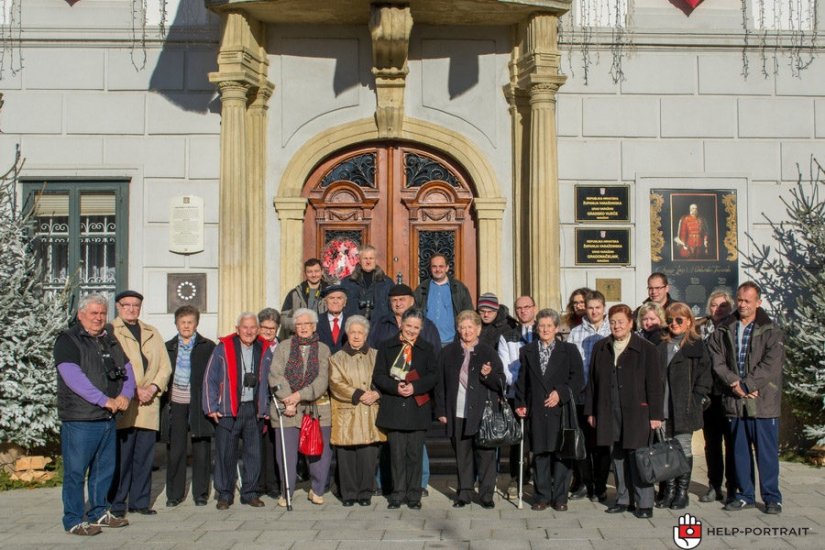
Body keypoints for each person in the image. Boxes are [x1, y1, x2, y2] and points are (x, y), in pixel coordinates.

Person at [55, 294, 133, 536]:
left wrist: (125, 395)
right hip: (80, 419)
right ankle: (74, 519)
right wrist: (104, 400)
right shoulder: (68, 340)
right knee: (76, 472)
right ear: (81, 315)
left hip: (107, 418)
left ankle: (99, 511)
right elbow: (73, 378)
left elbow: (128, 370)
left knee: (104, 469)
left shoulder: (110, 339)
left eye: (102, 313)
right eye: (94, 313)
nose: (99, 318)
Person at [708, 282, 784, 514]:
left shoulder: (771, 330)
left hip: (763, 402)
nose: (742, 304)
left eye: (747, 301)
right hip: (736, 400)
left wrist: (748, 384)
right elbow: (717, 360)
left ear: (758, 303)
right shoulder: (724, 329)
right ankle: (744, 494)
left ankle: (771, 497)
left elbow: (771, 364)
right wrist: (736, 384)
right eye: (739, 300)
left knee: (767, 454)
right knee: (739, 452)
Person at [585, 304, 664, 519]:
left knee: (639, 457)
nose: (617, 326)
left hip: (638, 411)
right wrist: (591, 411)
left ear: (630, 323)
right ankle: (623, 499)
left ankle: (644, 502)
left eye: (621, 321)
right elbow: (593, 382)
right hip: (609, 410)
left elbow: (655, 384)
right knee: (617, 455)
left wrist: (656, 415)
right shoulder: (601, 347)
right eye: (613, 322)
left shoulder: (646, 349)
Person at [368, 283, 440, 497]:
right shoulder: (387, 345)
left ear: (421, 328)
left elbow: (433, 374)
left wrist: (415, 386)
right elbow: (378, 374)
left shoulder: (426, 347)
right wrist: (396, 387)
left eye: (415, 328)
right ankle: (397, 493)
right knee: (395, 453)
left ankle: (415, 492)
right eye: (408, 326)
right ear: (402, 325)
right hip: (393, 404)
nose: (411, 330)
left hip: (417, 406)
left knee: (415, 453)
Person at [109, 290, 172, 517]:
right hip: (125, 403)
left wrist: (154, 387)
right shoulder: (110, 332)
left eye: (136, 305)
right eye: (127, 305)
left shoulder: (152, 332)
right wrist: (134, 390)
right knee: (122, 458)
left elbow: (165, 366)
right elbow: (111, 368)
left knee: (144, 457)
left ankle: (140, 502)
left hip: (148, 404)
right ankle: (117, 503)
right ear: (118, 306)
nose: (132, 309)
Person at [515, 309, 584, 512]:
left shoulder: (569, 350)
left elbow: (578, 379)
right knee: (541, 454)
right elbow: (523, 381)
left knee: (562, 454)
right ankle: (542, 496)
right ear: (537, 328)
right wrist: (521, 402)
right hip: (537, 409)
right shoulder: (528, 351)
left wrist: (560, 393)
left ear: (556, 328)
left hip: (561, 411)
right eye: (541, 326)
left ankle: (560, 497)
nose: (544, 329)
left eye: (548, 326)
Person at [435, 310, 506, 509]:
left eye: (470, 327)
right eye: (463, 327)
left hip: (483, 412)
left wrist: (489, 374)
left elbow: (501, 382)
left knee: (485, 454)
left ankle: (486, 494)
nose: (466, 331)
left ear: (478, 329)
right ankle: (464, 493)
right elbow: (439, 384)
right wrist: (440, 410)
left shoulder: (487, 351)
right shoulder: (447, 352)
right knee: (462, 454)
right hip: (457, 411)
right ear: (458, 330)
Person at [203, 312, 272, 510]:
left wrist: (266, 406)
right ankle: (225, 494)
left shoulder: (264, 348)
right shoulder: (223, 348)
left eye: (253, 328)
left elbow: (270, 379)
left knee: (253, 453)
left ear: (258, 330)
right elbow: (210, 378)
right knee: (225, 453)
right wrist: (210, 407)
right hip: (228, 408)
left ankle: (250, 492)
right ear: (237, 329)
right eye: (245, 327)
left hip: (253, 408)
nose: (249, 331)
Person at [268, 308, 333, 506]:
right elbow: (275, 375)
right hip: (286, 408)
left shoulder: (323, 349)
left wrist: (299, 396)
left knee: (319, 452)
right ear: (294, 327)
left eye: (307, 324)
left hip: (316, 408)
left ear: (314, 327)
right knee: (285, 453)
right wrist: (289, 399)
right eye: (299, 324)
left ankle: (317, 489)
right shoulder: (283, 347)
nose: (304, 328)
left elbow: (322, 380)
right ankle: (286, 490)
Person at [654, 302, 712, 510]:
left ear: (689, 321)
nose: (674, 324)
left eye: (679, 320)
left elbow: (704, 378)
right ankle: (668, 490)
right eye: (670, 320)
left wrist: (695, 399)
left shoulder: (696, 346)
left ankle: (681, 492)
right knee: (667, 450)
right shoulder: (661, 345)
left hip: (684, 408)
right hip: (663, 407)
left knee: (683, 448)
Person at [328, 315, 385, 506]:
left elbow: (385, 379)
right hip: (347, 412)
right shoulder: (336, 359)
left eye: (360, 332)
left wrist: (376, 393)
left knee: (368, 455)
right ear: (347, 334)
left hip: (370, 413)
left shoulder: (377, 355)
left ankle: (365, 493)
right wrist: (359, 393)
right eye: (353, 332)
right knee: (346, 456)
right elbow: (336, 383)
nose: (356, 336)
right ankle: (349, 494)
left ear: (366, 334)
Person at [163, 305, 216, 507]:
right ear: (176, 324)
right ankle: (174, 494)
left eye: (190, 322)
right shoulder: (168, 347)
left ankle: (200, 494)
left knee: (201, 448)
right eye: (182, 322)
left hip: (198, 402)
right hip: (175, 403)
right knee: (175, 449)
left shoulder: (207, 346)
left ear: (196, 324)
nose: (186, 326)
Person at [566, 290, 611, 502]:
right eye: (590, 307)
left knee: (602, 444)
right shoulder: (575, 332)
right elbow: (573, 365)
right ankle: (585, 482)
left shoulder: (612, 329)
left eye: (597, 308)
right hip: (582, 396)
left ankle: (600, 486)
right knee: (582, 443)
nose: (594, 311)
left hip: (605, 398)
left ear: (604, 308)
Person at [698, 291, 737, 503]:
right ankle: (714, 485)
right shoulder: (701, 328)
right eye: (714, 305)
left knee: (731, 443)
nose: (718, 309)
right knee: (711, 443)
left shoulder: (735, 327)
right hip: (709, 395)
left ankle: (732, 486)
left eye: (723, 306)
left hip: (730, 394)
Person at [498, 295, 537, 499]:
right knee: (517, 438)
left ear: (534, 308)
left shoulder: (544, 331)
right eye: (519, 308)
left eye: (527, 307)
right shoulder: (508, 336)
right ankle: (517, 478)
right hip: (517, 394)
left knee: (540, 436)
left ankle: (540, 476)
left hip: (541, 396)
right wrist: (522, 384)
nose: (523, 311)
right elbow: (506, 368)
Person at [414, 254, 474, 346]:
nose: (438, 270)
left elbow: (469, 314)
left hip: (451, 342)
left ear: (447, 268)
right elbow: (414, 313)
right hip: (427, 341)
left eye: (441, 266)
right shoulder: (422, 288)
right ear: (430, 268)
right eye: (434, 266)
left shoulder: (459, 288)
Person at [256, 308, 282, 500]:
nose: (267, 331)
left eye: (272, 328)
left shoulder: (282, 347)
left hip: (277, 401)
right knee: (256, 444)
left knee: (274, 444)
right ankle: (257, 483)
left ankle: (273, 484)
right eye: (264, 327)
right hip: (257, 401)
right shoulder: (253, 346)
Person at [280, 258, 329, 338]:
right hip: (298, 339)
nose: (313, 275)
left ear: (322, 271)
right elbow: (283, 318)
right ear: (305, 273)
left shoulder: (330, 293)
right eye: (310, 272)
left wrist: (318, 327)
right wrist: (299, 326)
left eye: (316, 271)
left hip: (322, 338)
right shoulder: (294, 293)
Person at [342, 245, 394, 321]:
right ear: (359, 260)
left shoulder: (387, 282)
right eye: (365, 258)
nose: (368, 261)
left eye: (371, 258)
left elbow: (393, 306)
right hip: (355, 326)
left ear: (375, 260)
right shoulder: (347, 282)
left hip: (380, 326)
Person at [317, 285, 349, 354]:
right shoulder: (316, 321)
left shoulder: (352, 322)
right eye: (331, 298)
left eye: (339, 298)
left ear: (345, 302)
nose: (335, 301)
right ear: (325, 301)